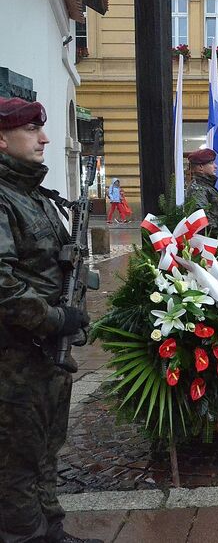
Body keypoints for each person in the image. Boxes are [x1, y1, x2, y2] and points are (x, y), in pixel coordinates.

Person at [0, 97, 99, 543]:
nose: (44, 138)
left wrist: (75, 316)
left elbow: (59, 269)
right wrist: (56, 318)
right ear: (2, 139)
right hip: (14, 362)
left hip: (46, 359)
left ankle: (51, 532)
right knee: (16, 461)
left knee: (45, 452)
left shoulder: (34, 196)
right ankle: (26, 536)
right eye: (31, 130)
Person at [186, 148, 218, 234]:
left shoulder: (205, 186)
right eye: (211, 163)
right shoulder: (198, 188)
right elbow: (203, 219)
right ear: (201, 167)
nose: (216, 166)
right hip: (207, 240)